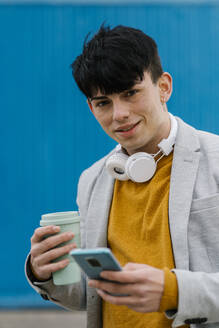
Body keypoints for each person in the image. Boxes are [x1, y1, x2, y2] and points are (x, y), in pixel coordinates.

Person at [25, 25, 219, 328]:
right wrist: (45, 271)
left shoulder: (215, 159)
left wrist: (175, 292)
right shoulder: (91, 180)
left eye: (131, 93)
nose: (119, 114)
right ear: (91, 108)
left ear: (164, 86)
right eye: (104, 102)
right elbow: (91, 294)